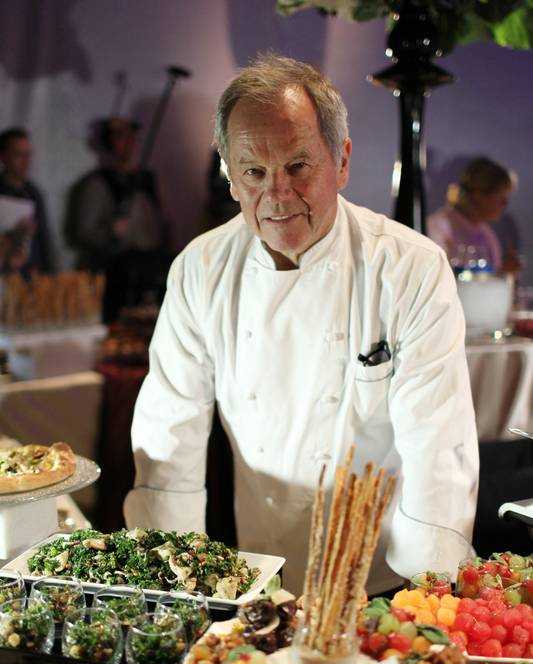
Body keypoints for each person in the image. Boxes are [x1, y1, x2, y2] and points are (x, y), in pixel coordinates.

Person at [124, 55, 479, 595]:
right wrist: (168, 584)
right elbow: (170, 431)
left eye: (297, 167)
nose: (277, 195)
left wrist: (429, 590)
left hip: (384, 578)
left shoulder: (409, 267)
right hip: (258, 572)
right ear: (230, 176)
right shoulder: (201, 269)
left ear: (342, 161)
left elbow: (438, 440)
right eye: (254, 172)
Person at [65, 117, 168, 321]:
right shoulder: (96, 184)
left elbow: (160, 223)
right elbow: (84, 233)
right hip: (114, 274)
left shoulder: (146, 179)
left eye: (131, 136)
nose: (128, 142)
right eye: (120, 137)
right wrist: (110, 232)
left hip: (148, 270)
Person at [427, 157, 521, 273]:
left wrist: (503, 273)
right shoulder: (438, 228)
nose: (505, 204)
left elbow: (487, 279)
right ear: (479, 195)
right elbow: (436, 275)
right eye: (501, 197)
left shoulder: (486, 235)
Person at [0, 127, 54, 276]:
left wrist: (48, 272)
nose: (26, 161)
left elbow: (44, 239)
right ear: (3, 157)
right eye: (18, 155)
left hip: (29, 276)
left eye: (28, 155)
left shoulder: (34, 193)